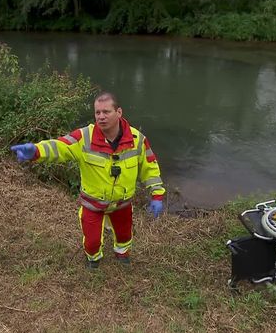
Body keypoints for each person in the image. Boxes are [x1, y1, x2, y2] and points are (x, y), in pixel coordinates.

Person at [11, 92, 165, 269]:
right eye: (97, 112)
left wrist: (157, 195)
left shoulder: (137, 140)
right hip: (93, 204)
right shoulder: (84, 137)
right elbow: (60, 146)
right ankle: (93, 259)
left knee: (124, 235)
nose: (101, 117)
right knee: (91, 243)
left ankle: (122, 254)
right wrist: (36, 151)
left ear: (119, 112)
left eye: (106, 112)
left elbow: (150, 168)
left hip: (122, 204)